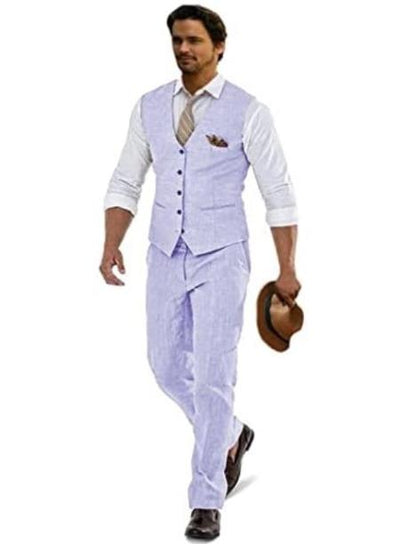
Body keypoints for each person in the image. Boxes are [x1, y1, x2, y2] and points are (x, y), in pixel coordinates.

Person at [99, 4, 301, 540]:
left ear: (219, 46)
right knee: (165, 365)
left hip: (222, 254)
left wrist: (287, 268)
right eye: (177, 40)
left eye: (194, 40)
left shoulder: (249, 111)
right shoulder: (149, 106)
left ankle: (206, 498)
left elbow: (278, 193)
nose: (184, 49)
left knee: (214, 374)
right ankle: (230, 431)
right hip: (166, 250)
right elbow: (126, 180)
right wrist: (111, 242)